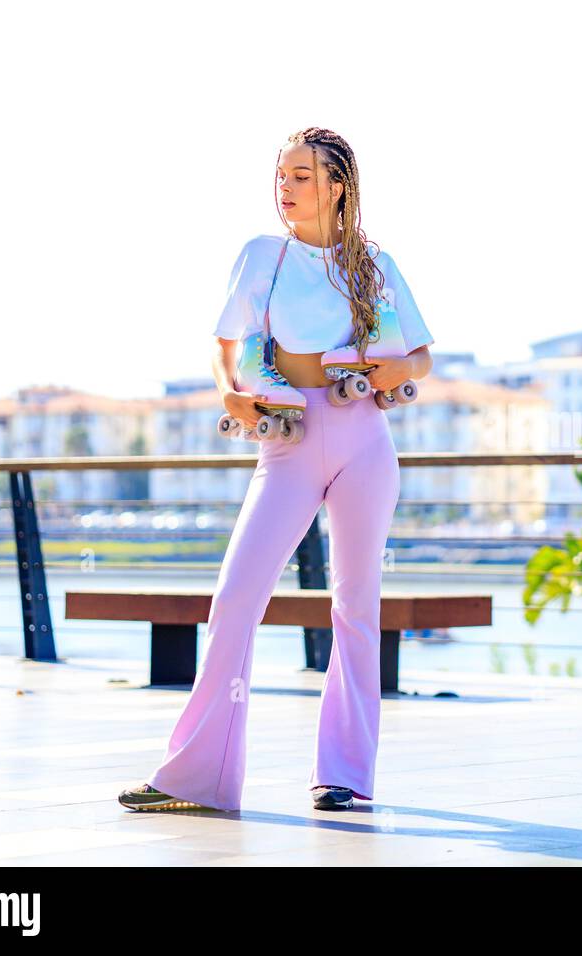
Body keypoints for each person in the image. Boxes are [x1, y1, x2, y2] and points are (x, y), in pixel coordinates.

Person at [119, 127, 434, 813]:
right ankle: (195, 776)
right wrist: (229, 389)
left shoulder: (373, 265)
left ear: (337, 185)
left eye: (300, 175)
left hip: (364, 440)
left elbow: (422, 359)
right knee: (235, 598)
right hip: (287, 441)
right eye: (281, 174)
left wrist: (398, 368)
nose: (284, 187)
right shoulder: (262, 256)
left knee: (356, 606)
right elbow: (224, 343)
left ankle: (343, 774)